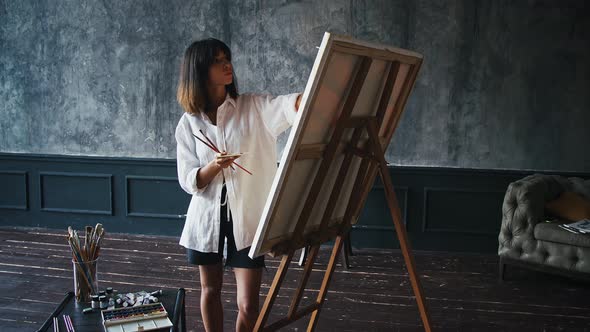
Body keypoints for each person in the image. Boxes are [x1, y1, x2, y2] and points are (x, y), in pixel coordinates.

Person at [174, 38, 302, 332]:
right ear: (200, 70)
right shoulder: (188, 123)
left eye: (226, 58)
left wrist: (304, 98)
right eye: (218, 61)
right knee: (210, 291)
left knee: (248, 304)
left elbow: (284, 107)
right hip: (206, 221)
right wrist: (215, 165)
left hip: (247, 220)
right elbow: (188, 180)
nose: (227, 65)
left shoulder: (252, 107)